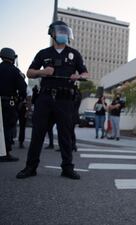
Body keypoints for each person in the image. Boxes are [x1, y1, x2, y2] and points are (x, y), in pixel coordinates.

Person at [16, 20, 89, 179]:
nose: (63, 34)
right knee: (38, 133)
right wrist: (42, 72)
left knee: (65, 134)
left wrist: (79, 76)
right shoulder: (44, 53)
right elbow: (29, 72)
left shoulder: (74, 54)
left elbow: (85, 73)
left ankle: (67, 168)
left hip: (65, 99)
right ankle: (30, 167)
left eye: (65, 31)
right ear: (53, 34)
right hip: (45, 97)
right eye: (59, 31)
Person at [0, 47, 27, 162]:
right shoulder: (15, 71)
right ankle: (5, 153)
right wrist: (20, 99)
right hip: (8, 103)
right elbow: (23, 88)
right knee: (8, 127)